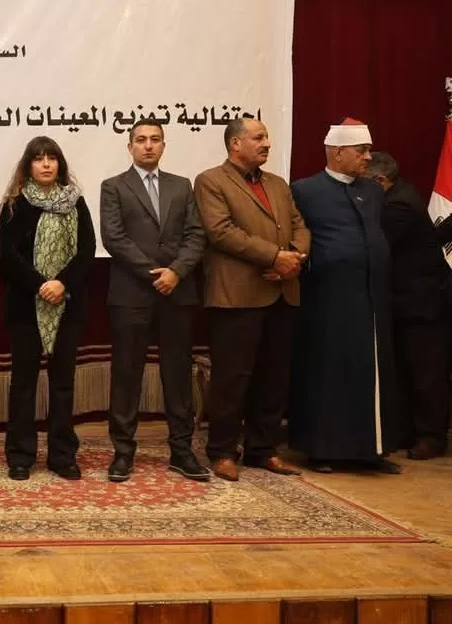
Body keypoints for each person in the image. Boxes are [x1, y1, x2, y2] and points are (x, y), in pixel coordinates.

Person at [193, 119, 310, 481]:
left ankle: (263, 449)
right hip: (237, 295)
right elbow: (221, 232)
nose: (266, 143)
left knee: (274, 376)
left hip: (281, 291)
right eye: (258, 137)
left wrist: (294, 258)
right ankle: (223, 451)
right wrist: (274, 256)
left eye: (267, 137)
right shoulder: (211, 181)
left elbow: (299, 225)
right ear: (235, 143)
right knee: (232, 378)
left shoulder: (277, 184)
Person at [100, 119, 209, 482]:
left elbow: (196, 235)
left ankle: (182, 451)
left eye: (155, 139)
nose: (148, 145)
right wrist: (155, 273)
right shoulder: (113, 186)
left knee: (177, 374)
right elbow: (114, 238)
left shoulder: (182, 186)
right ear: (129, 146)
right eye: (141, 140)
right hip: (131, 294)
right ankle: (123, 452)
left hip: (177, 292)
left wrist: (175, 272)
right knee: (126, 374)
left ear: (164, 145)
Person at [290, 121, 401, 473]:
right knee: (329, 373)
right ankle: (322, 450)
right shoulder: (305, 190)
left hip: (372, 297)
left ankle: (371, 451)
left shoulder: (373, 191)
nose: (368, 157)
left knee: (371, 372)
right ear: (338, 153)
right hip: (327, 300)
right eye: (362, 151)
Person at [0, 136, 94, 481]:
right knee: (23, 383)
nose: (47, 164)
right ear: (28, 166)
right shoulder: (14, 205)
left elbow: (86, 251)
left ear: (60, 164)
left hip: (68, 305)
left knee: (63, 383)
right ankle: (20, 456)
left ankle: (62, 455)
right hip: (25, 306)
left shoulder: (76, 203)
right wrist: (40, 284)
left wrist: (61, 283)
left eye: (52, 158)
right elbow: (8, 256)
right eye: (39, 159)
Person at [365, 151, 452, 460]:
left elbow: (377, 248)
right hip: (405, 300)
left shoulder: (398, 205)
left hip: (422, 303)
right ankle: (407, 431)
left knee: (426, 373)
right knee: (404, 369)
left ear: (379, 181)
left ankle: (432, 436)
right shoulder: (398, 194)